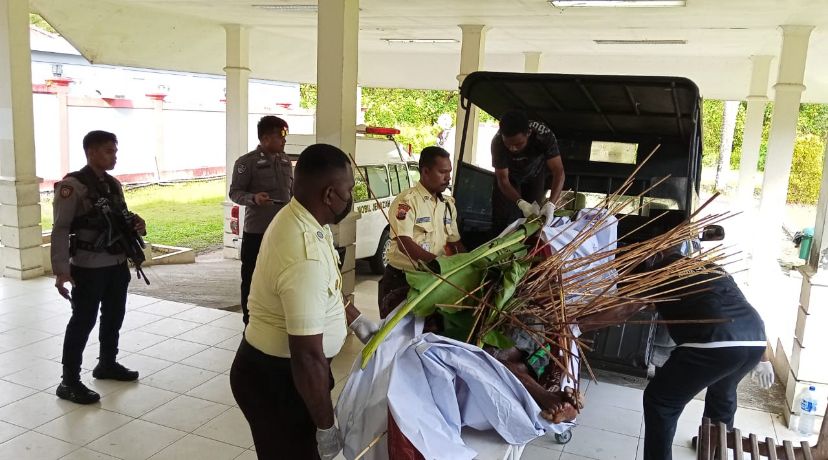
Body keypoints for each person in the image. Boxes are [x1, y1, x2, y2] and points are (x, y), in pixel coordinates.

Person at [230, 143, 379, 460]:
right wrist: (326, 430)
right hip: (276, 380)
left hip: (287, 373)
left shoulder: (307, 221)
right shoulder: (303, 253)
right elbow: (307, 356)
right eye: (348, 189)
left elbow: (326, 291)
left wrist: (355, 320)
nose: (351, 197)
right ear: (329, 195)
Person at [639, 253, 774, 460]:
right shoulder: (711, 267)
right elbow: (742, 307)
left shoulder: (659, 273)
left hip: (715, 341)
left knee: (661, 401)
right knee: (723, 391)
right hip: (755, 337)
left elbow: (636, 306)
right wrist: (764, 359)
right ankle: (712, 447)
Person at [51, 130, 146, 404]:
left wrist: (137, 223)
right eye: (108, 151)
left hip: (116, 263)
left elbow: (120, 217)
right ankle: (68, 382)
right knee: (83, 321)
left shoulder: (113, 184)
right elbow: (60, 228)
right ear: (91, 152)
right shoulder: (72, 186)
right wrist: (61, 270)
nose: (114, 155)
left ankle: (107, 363)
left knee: (114, 315)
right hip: (88, 266)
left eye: (115, 150)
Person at [378, 146, 466, 318]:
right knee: (396, 336)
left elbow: (455, 243)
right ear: (425, 171)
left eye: (449, 172)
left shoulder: (448, 205)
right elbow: (404, 243)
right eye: (442, 172)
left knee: (427, 333)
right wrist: (437, 263)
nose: (448, 177)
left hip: (431, 281)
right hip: (402, 280)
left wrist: (470, 264)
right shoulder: (407, 202)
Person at [229, 115, 294, 325]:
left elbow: (291, 192)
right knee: (251, 278)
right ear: (266, 139)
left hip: (282, 232)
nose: (284, 140)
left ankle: (276, 319)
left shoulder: (285, 161)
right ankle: (250, 322)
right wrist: (253, 199)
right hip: (257, 232)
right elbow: (235, 193)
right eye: (280, 136)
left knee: (281, 276)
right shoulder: (246, 163)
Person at [491, 110, 565, 235]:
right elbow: (503, 180)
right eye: (508, 144)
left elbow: (558, 171)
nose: (512, 148)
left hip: (535, 175)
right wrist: (521, 203)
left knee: (534, 217)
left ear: (528, 133)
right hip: (510, 178)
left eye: (518, 144)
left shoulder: (543, 135)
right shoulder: (497, 143)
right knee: (501, 217)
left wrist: (551, 203)